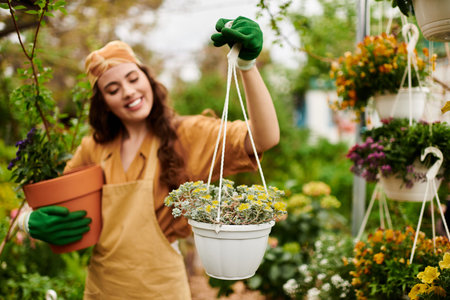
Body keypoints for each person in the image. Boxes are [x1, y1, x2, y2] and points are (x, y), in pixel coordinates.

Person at [16, 16, 279, 299]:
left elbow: (263, 138)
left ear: (148, 79)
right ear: (103, 102)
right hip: (102, 289)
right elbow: (57, 203)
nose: (128, 92)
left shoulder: (187, 134)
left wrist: (247, 67)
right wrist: (26, 221)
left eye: (132, 79)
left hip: (162, 290)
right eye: (113, 89)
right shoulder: (93, 148)